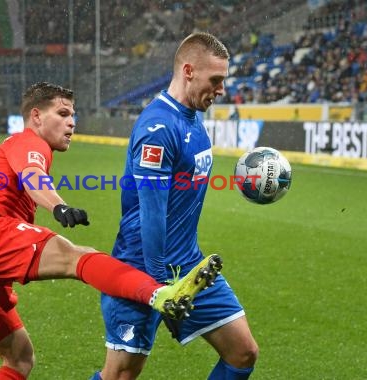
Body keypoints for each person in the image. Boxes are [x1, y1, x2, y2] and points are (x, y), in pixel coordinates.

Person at [0, 82, 223, 380]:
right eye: (62, 113)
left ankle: (161, 294)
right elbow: (33, 176)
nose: (72, 122)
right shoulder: (29, 142)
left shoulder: (12, 146)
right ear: (36, 116)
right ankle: (161, 294)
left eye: (73, 115)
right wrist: (59, 206)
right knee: (77, 257)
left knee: (19, 358)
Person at [91, 33, 259, 380]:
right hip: (141, 266)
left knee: (242, 353)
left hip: (188, 265)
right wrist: (156, 287)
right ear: (188, 71)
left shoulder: (193, 118)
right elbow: (152, 212)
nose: (221, 89)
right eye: (216, 80)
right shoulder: (158, 128)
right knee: (120, 376)